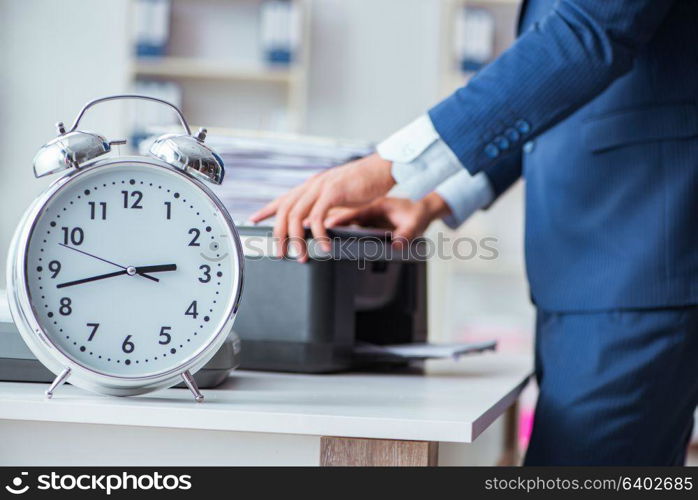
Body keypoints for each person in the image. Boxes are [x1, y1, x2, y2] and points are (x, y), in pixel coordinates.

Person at [251, 0, 698, 465]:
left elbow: (584, 39)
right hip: (588, 267)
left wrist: (391, 165)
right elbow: (552, 99)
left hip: (639, 252)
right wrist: (426, 198)